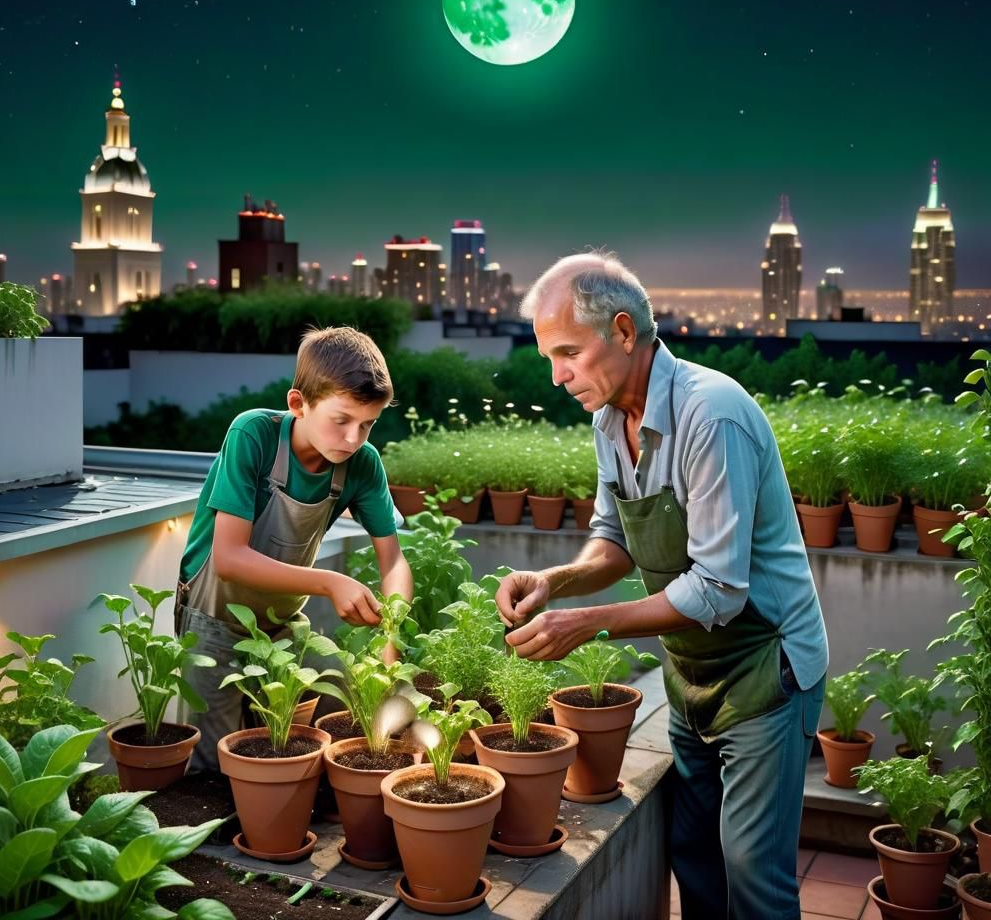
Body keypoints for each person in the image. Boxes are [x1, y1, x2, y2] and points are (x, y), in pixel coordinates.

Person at [495, 252, 828, 920]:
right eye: (547, 358)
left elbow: (718, 592)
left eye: (567, 353)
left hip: (766, 668)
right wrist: (555, 582)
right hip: (692, 669)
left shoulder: (713, 415)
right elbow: (613, 539)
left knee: (752, 871)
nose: (557, 377)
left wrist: (585, 624)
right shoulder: (608, 420)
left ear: (623, 332)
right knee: (691, 849)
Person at [175, 326, 412, 770]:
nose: (353, 439)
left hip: (284, 626)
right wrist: (329, 582)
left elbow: (393, 559)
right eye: (341, 420)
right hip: (213, 622)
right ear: (298, 404)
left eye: (368, 424)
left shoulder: (361, 464)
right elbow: (229, 559)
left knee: (334, 705)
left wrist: (390, 639)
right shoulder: (254, 436)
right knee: (213, 769)